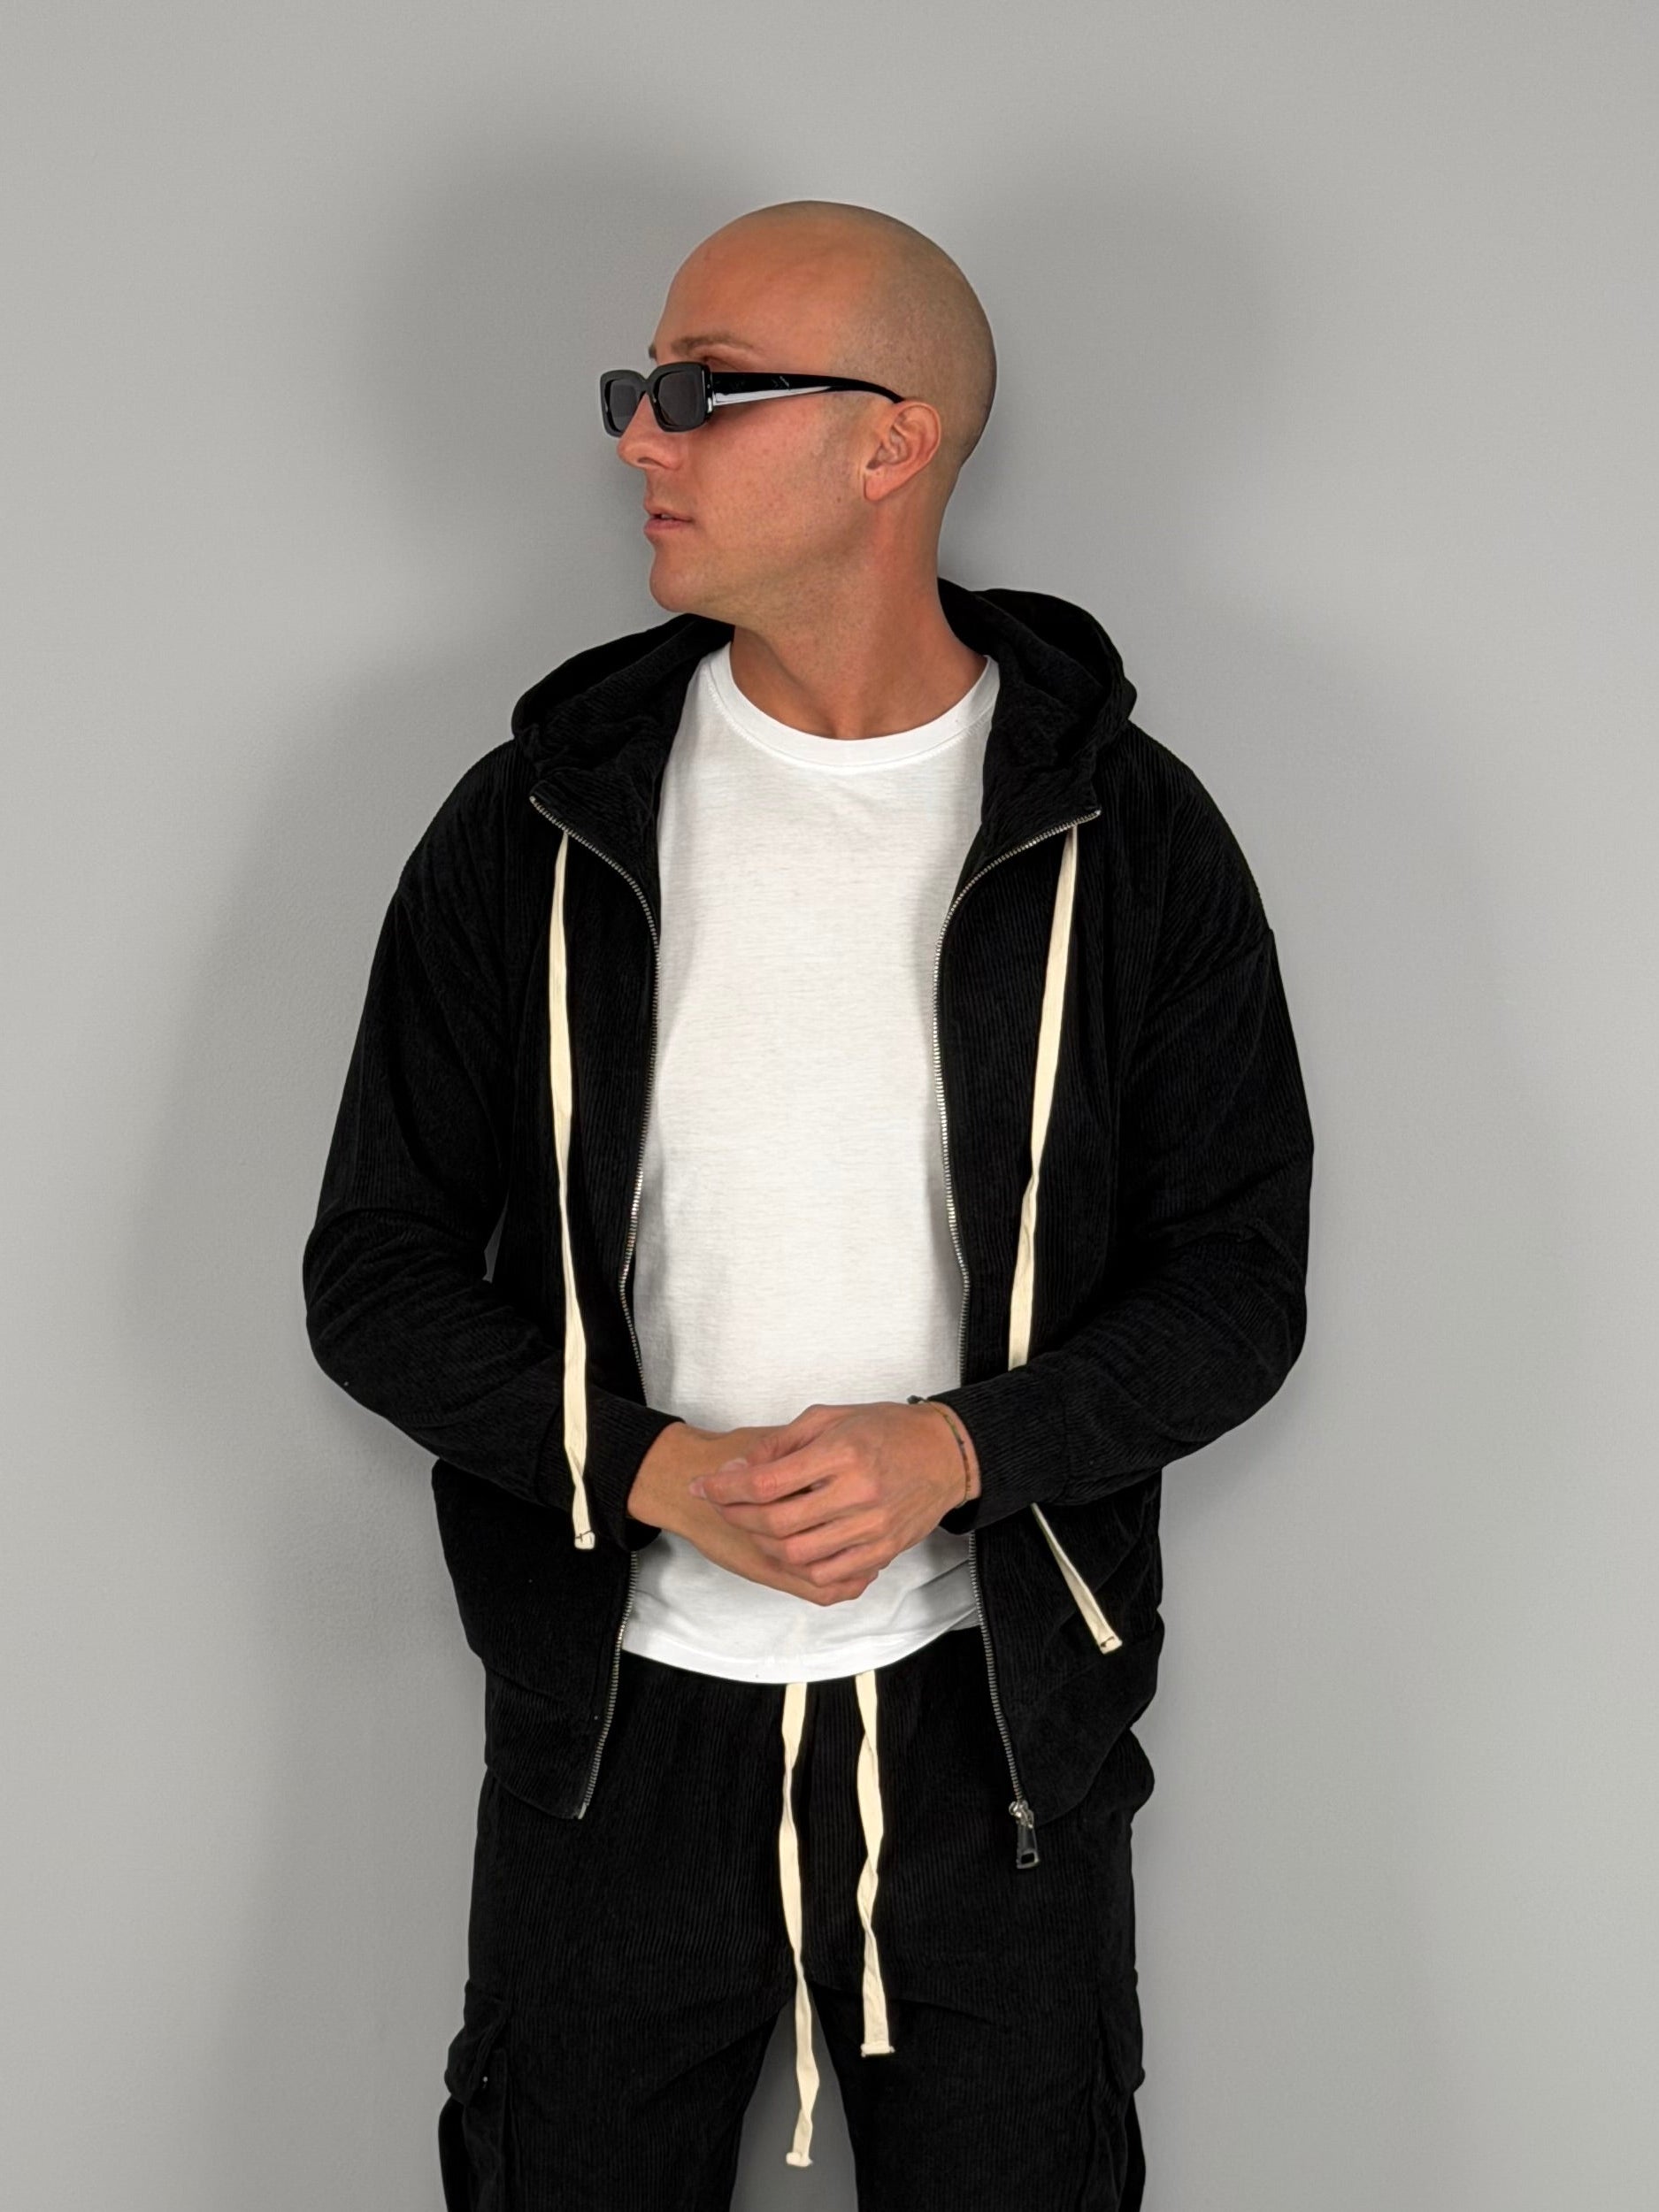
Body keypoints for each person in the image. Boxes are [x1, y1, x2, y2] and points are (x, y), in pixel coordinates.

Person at [302, 196, 1315, 2210]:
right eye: (637, 389)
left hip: (994, 1739)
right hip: (610, 1735)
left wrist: (955, 1450)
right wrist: (648, 1469)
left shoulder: (1125, 832)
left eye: (702, 391)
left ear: (891, 442)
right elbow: (374, 1272)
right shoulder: (538, 821)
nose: (637, 435)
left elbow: (1236, 1284)